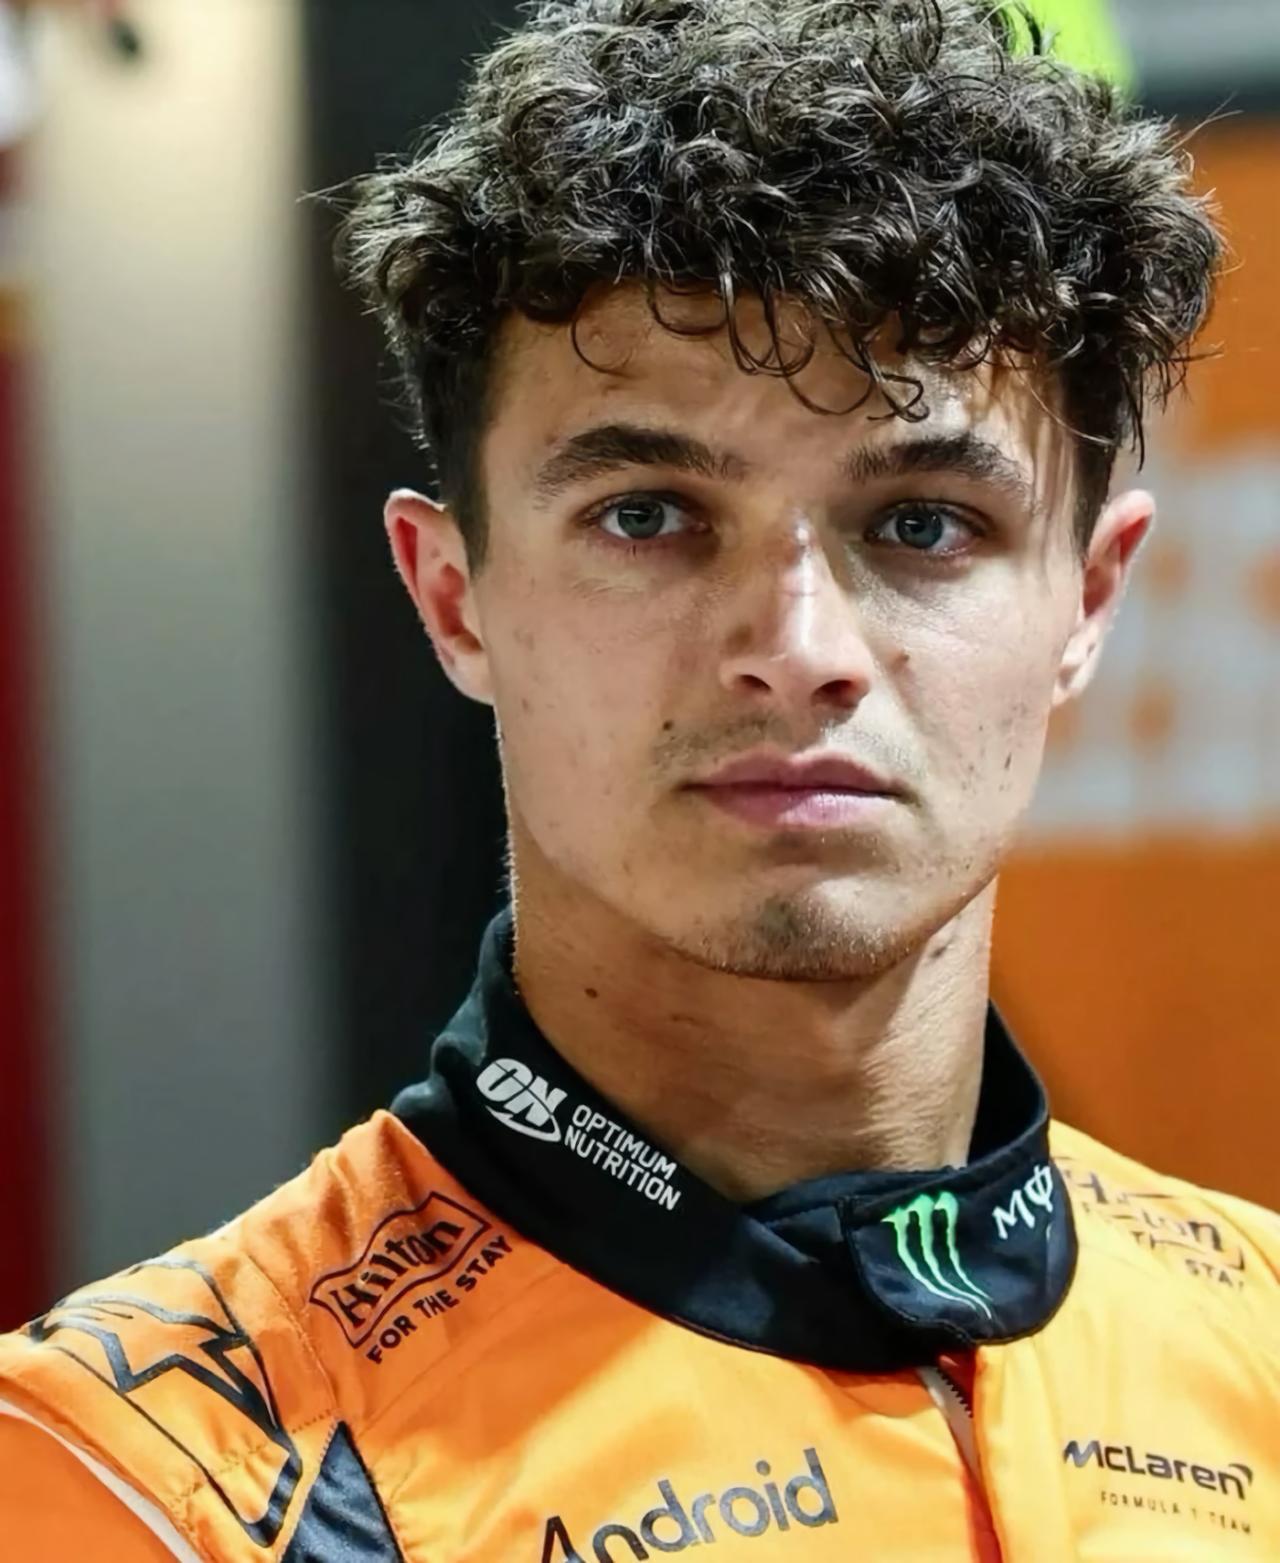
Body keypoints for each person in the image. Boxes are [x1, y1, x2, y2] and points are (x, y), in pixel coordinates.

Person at [2, 1, 1276, 1558]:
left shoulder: (1261, 1349)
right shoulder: (141, 1478)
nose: (797, 652)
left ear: (1089, 600)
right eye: (650, 516)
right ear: (454, 597)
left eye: (924, 525)